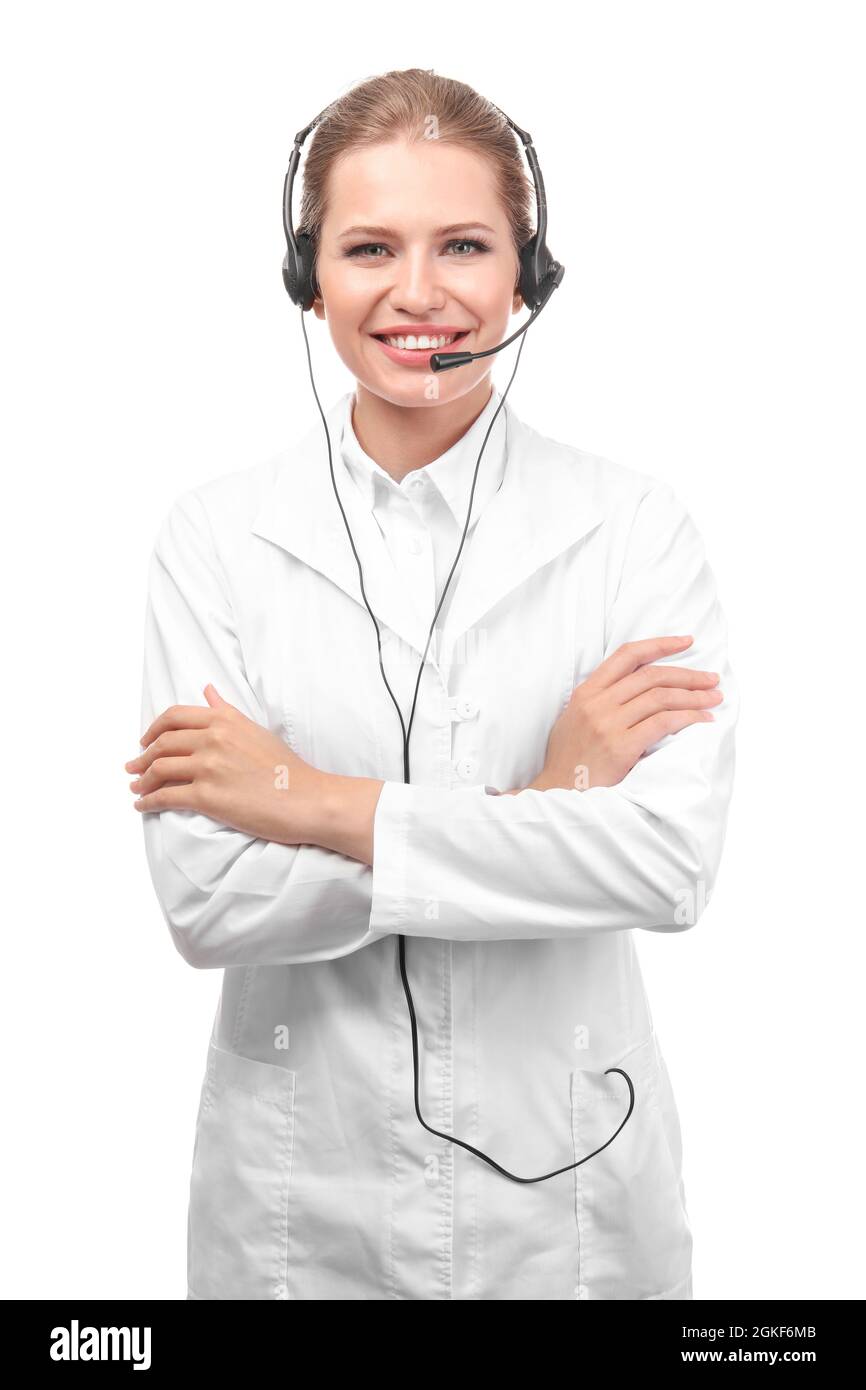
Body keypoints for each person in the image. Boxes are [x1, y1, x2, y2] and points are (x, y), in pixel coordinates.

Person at [126, 68, 738, 1301]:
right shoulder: (216, 536)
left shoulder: (632, 528)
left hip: (571, 1206)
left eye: (463, 244)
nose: (418, 293)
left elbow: (663, 866)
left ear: (528, 273)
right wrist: (552, 797)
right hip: (301, 1204)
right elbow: (208, 903)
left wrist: (306, 800)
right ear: (310, 281)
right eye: (367, 248)